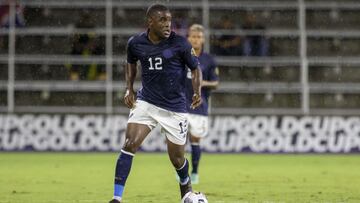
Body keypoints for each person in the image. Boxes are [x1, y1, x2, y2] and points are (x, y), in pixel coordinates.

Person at [109, 4, 202, 203]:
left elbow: (195, 69)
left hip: (174, 108)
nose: (168, 25)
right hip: (147, 102)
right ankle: (116, 198)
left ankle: (186, 189)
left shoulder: (181, 44)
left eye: (169, 20)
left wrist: (197, 91)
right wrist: (129, 88)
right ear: (150, 22)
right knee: (129, 144)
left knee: (177, 159)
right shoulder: (135, 43)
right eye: (162, 20)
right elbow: (130, 63)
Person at [185, 24, 219, 184]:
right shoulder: (181, 56)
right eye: (193, 36)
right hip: (179, 104)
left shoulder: (209, 60)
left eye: (198, 37)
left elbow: (216, 83)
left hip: (199, 105)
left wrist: (201, 82)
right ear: (188, 38)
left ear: (203, 39)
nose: (195, 39)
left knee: (195, 139)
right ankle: (182, 171)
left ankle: (195, 172)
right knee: (177, 140)